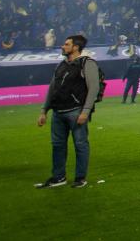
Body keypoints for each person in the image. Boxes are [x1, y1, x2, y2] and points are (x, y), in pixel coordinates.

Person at [35, 34, 100, 189]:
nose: (62, 46)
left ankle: (80, 178)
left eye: (66, 44)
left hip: (76, 111)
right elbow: (52, 88)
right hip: (58, 112)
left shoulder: (87, 63)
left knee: (80, 144)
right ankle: (59, 177)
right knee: (57, 145)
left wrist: (85, 111)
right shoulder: (61, 65)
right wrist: (44, 110)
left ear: (75, 47)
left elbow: (94, 88)